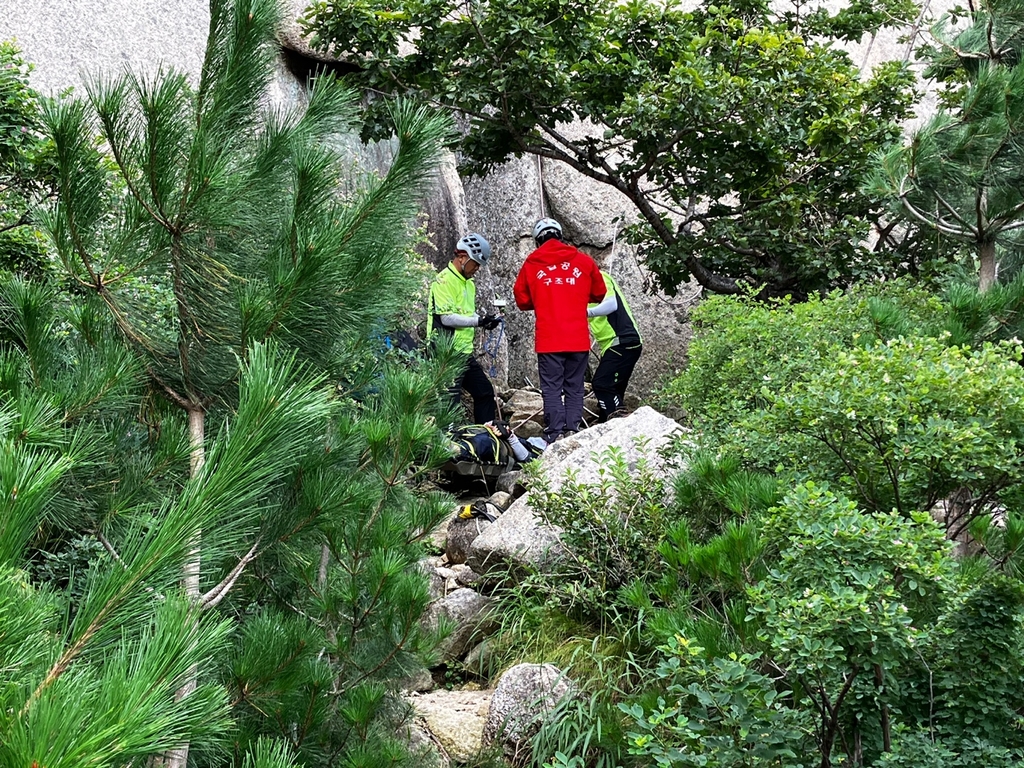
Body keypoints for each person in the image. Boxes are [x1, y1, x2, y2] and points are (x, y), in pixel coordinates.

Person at [514, 218, 606, 443]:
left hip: (549, 339)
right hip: (577, 338)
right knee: (574, 386)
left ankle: (554, 433)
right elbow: (599, 292)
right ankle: (572, 429)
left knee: (552, 387)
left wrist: (545, 298)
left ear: (538, 241)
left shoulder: (532, 263)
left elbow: (522, 299)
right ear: (560, 235)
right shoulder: (583, 262)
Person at [427, 233, 501, 423]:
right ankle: (449, 448)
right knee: (449, 404)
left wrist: (485, 320)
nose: (477, 269)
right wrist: (478, 322)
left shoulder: (468, 284)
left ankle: (486, 437)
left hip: (463, 352)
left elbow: (466, 314)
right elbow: (447, 318)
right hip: (446, 353)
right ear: (462, 257)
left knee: (484, 392)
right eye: (475, 263)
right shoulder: (442, 280)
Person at [587, 270, 643, 421]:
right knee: (613, 391)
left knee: (602, 384)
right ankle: (610, 426)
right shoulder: (576, 286)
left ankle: (619, 424)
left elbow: (611, 304)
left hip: (621, 341)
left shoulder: (597, 276)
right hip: (616, 344)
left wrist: (585, 312)